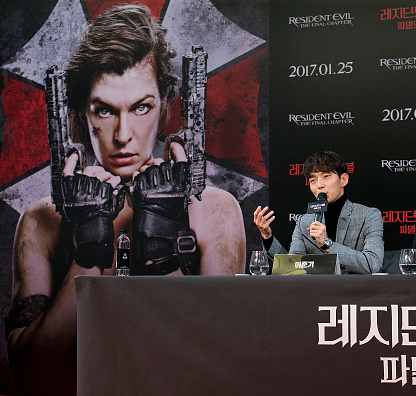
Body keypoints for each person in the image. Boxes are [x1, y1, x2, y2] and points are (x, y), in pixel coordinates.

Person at [6, 5, 245, 395]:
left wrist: (163, 246)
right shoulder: (42, 221)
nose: (122, 135)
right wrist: (86, 258)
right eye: (104, 109)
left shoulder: (212, 210)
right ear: (83, 113)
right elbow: (33, 375)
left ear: (165, 104)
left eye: (141, 107)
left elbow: (220, 362)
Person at [253, 151, 384, 274]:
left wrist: (327, 244)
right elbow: (292, 267)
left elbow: (373, 264)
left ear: (343, 179)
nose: (319, 185)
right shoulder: (305, 221)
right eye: (313, 180)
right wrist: (267, 237)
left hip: (353, 293)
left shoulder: (368, 216)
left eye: (326, 176)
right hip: (315, 294)